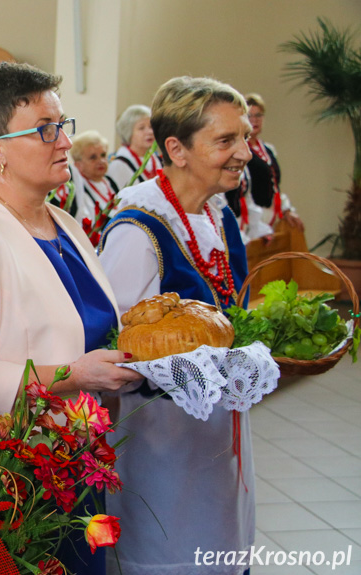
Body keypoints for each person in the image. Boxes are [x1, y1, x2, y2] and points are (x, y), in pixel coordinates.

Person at [0, 61, 141, 574]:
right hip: (20, 474)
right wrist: (75, 375)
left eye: (62, 125)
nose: (63, 142)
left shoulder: (63, 222)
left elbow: (90, 322)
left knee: (93, 563)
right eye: (46, 130)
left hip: (86, 460)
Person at [98, 76, 253, 575]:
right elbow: (119, 344)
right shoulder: (138, 228)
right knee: (169, 550)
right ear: (176, 149)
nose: (244, 152)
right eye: (226, 140)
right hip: (158, 437)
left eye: (245, 137)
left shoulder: (218, 214)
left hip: (216, 430)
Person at [226, 93, 302, 241]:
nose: (254, 120)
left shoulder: (268, 149)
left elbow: (275, 186)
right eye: (250, 115)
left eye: (258, 115)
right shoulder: (239, 153)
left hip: (268, 219)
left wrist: (286, 209)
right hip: (247, 222)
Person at [61, 130, 119, 223]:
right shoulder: (77, 189)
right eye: (93, 157)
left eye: (103, 155)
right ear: (78, 164)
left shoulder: (110, 182)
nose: (101, 161)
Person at [106, 104, 162, 190]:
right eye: (141, 128)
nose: (150, 132)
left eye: (151, 126)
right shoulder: (119, 165)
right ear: (129, 133)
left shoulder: (157, 159)